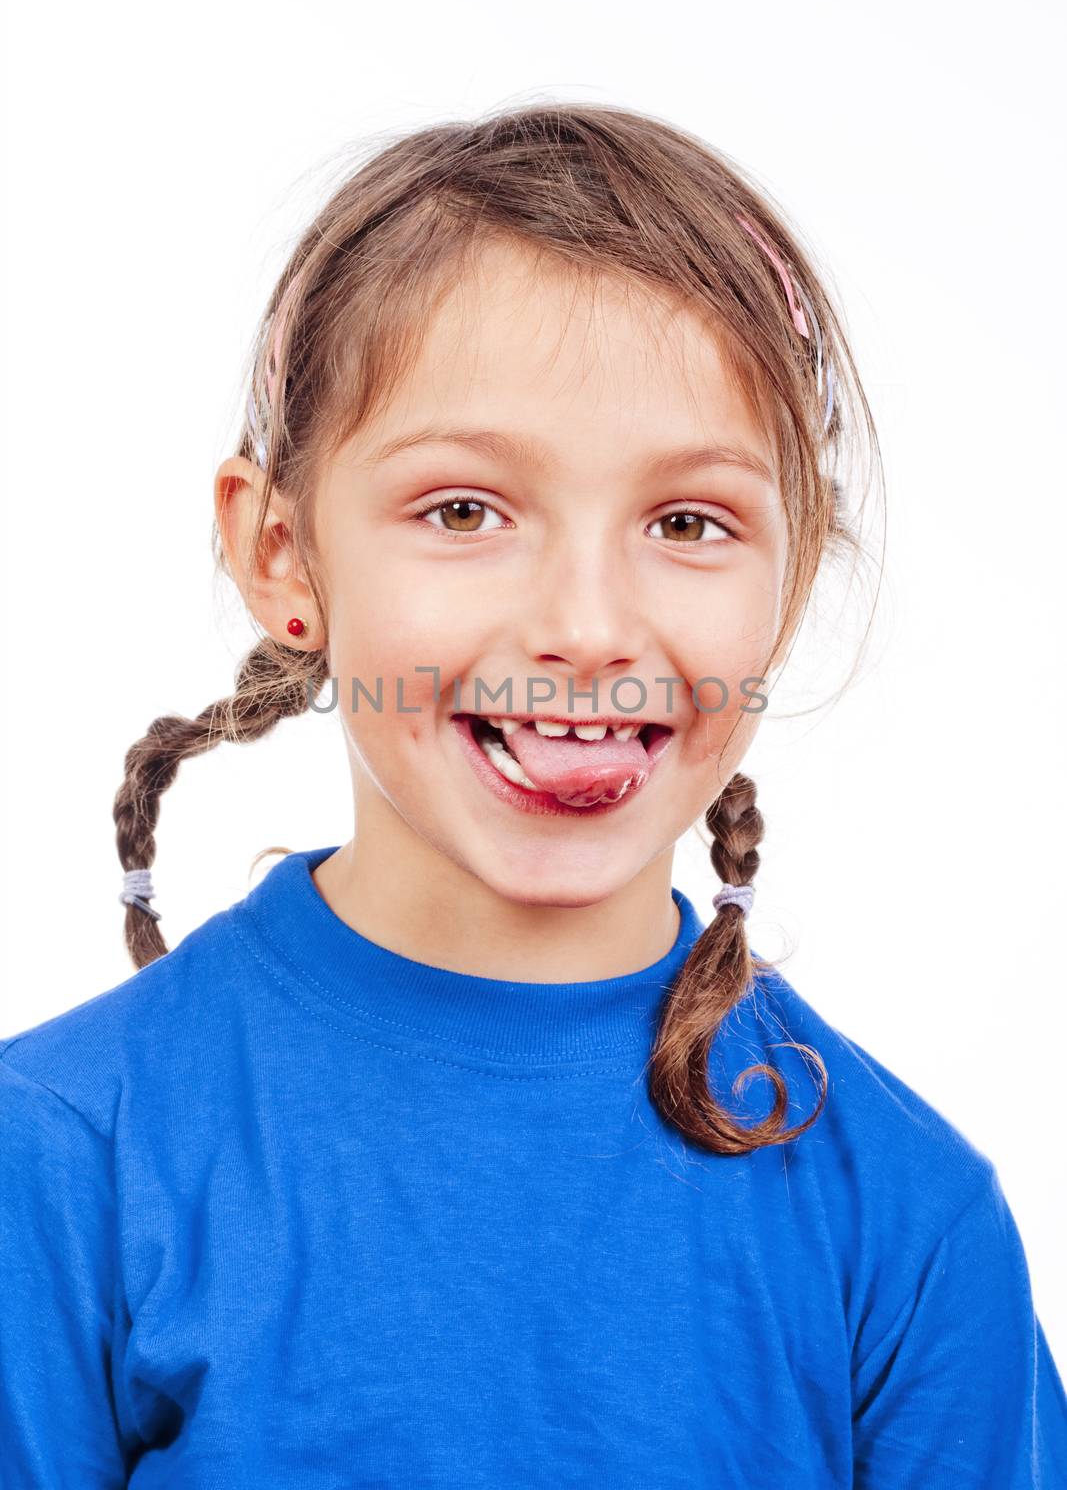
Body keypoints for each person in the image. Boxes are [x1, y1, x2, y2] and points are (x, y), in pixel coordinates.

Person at [2, 105, 1064, 1487]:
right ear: (283, 554)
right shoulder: (57, 1155)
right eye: (464, 511)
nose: (588, 626)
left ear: (789, 588)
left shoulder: (907, 1221)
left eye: (688, 524)